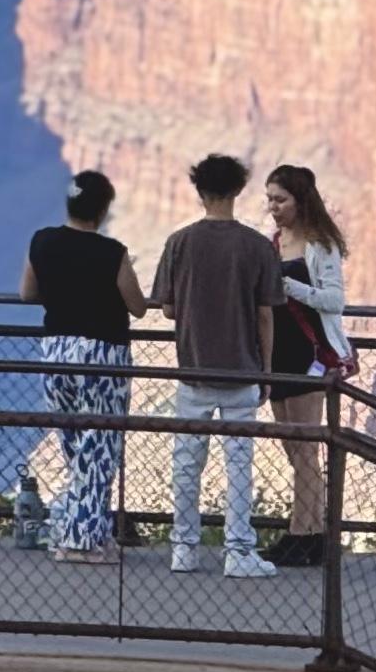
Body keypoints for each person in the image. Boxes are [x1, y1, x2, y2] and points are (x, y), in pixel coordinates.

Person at [151, 152, 283, 577]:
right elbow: (266, 315)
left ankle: (184, 548)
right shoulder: (257, 247)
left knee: (187, 462)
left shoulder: (179, 242)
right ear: (238, 189)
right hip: (242, 368)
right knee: (239, 463)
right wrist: (266, 370)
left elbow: (167, 308)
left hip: (193, 367)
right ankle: (238, 551)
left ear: (199, 190)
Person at [20, 167, 146, 562]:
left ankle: (91, 531)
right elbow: (138, 306)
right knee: (101, 445)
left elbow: (27, 293)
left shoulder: (42, 241)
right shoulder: (113, 253)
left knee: (75, 445)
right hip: (102, 356)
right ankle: (78, 542)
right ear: (103, 210)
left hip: (55, 352)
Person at [265, 163, 352, 569]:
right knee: (293, 448)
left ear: (301, 201)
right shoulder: (274, 243)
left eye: (280, 200)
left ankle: (300, 534)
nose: (273, 207)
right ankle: (313, 533)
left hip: (307, 355)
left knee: (305, 450)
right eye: (269, 199)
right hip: (276, 354)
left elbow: (334, 300)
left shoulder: (320, 245)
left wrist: (289, 287)